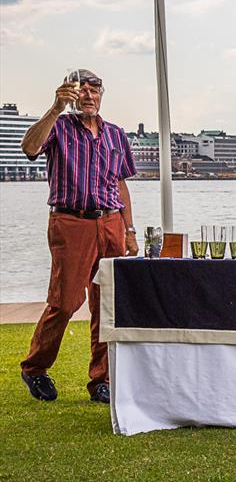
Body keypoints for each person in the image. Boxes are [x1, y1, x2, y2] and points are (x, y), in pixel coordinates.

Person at [19, 69, 138, 404]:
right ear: (70, 93)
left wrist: (129, 230)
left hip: (111, 223)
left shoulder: (115, 134)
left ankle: (102, 379)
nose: (88, 95)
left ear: (102, 94)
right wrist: (55, 107)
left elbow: (120, 184)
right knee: (65, 301)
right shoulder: (58, 127)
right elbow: (29, 147)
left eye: (94, 89)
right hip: (71, 222)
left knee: (108, 303)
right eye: (81, 89)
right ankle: (35, 368)